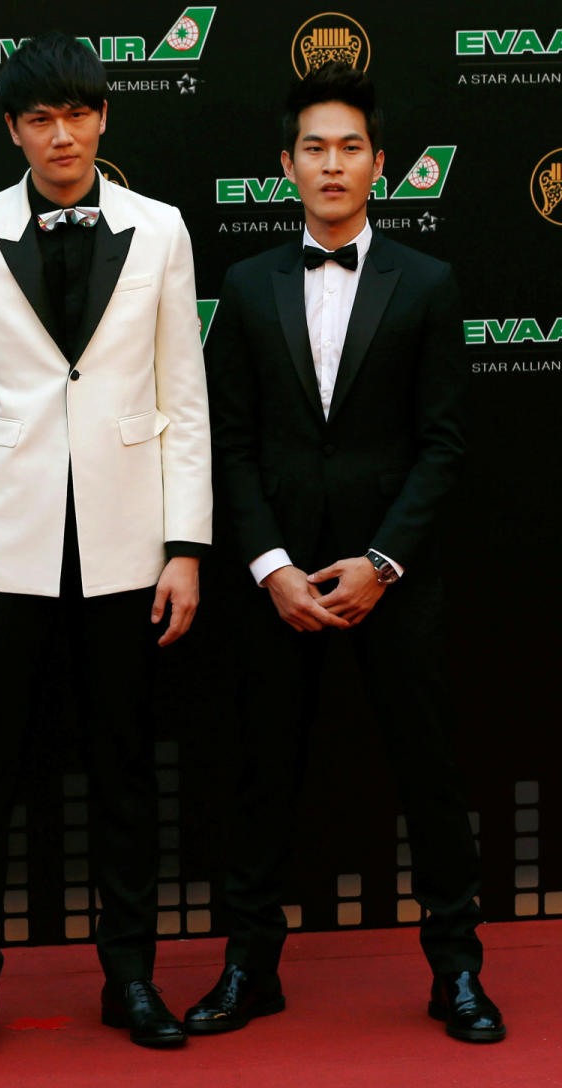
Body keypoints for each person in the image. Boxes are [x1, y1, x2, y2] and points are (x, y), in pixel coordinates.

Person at [191, 61, 505, 1045]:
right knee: (260, 775)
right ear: (286, 165)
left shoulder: (430, 281)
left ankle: (457, 970)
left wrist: (384, 562)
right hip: (274, 580)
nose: (333, 164)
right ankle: (250, 966)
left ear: (381, 164)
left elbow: (445, 442)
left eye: (351, 147)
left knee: (431, 776)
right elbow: (227, 442)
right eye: (314, 148)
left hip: (394, 579)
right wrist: (270, 566)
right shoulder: (245, 286)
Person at [0, 30, 212, 1061]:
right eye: (39, 118)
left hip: (130, 542)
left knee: (125, 769)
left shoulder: (163, 229)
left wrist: (186, 544)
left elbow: (185, 396)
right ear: (11, 129)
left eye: (78, 113)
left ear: (103, 118)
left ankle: (130, 976)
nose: (61, 134)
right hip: (2, 541)